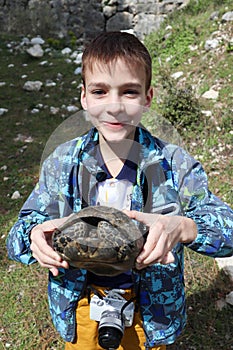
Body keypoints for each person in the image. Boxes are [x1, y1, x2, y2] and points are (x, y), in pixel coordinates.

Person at [7, 31, 233, 350]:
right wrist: (33, 238)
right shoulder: (61, 164)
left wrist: (183, 226)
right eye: (100, 91)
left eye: (129, 92)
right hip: (81, 306)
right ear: (84, 98)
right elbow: (19, 233)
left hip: (151, 313)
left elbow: (229, 230)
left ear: (147, 98)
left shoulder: (175, 164)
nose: (114, 106)